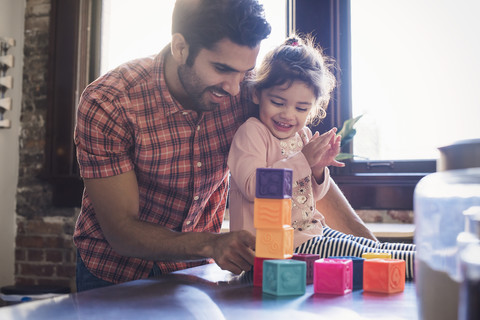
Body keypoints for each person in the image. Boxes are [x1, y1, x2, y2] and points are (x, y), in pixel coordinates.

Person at [73, 0, 376, 292]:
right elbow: (122, 230)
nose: (235, 88)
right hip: (114, 273)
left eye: (245, 72)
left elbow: (300, 170)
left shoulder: (249, 93)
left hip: (192, 271)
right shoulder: (109, 103)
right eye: (222, 68)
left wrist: (372, 248)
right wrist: (211, 243)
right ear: (181, 48)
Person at [227, 35, 416, 279]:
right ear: (257, 94)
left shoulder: (302, 135)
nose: (287, 114)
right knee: (367, 257)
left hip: (312, 233)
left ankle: (434, 260)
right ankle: (433, 270)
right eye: (277, 102)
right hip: (275, 251)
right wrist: (303, 161)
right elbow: (254, 187)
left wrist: (317, 170)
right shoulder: (252, 132)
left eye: (301, 108)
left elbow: (309, 196)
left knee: (374, 249)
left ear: (314, 108)